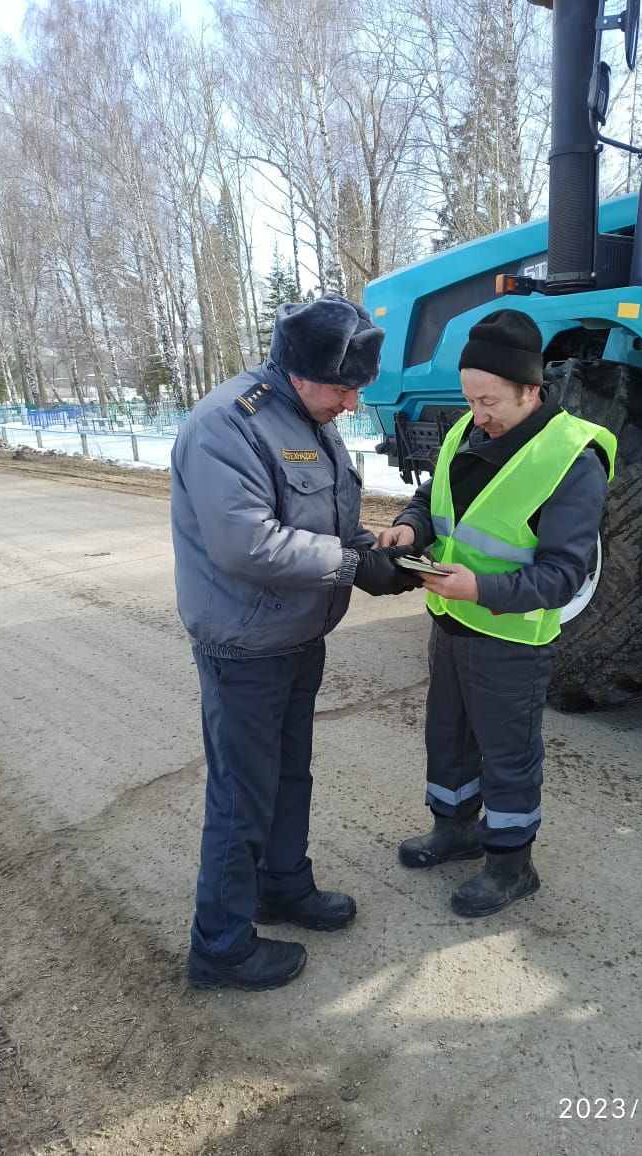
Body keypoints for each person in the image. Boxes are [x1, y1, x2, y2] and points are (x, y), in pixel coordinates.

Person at [171, 292, 418, 991]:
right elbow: (246, 544)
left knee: (288, 777)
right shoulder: (230, 423)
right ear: (300, 371)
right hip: (245, 645)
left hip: (297, 635)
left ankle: (283, 884)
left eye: (355, 391)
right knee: (241, 795)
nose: (350, 404)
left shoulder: (308, 414)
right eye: (343, 389)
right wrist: (348, 565)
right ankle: (220, 945)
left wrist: (374, 550)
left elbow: (325, 516)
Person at [378, 309, 616, 918]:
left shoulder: (572, 458)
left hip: (511, 639)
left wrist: (479, 588)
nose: (478, 414)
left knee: (508, 754)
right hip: (451, 623)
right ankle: (453, 829)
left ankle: (512, 866)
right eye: (470, 399)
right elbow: (431, 500)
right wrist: (408, 529)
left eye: (490, 402)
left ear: (532, 391)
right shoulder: (465, 431)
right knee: (449, 736)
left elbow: (564, 575)